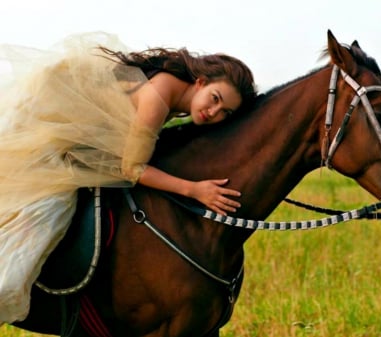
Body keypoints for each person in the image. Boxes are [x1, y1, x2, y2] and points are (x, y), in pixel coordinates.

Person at [0, 32, 256, 324]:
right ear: (200, 82)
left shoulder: (175, 95)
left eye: (226, 112)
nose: (213, 112)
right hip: (50, 132)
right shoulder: (158, 97)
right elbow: (132, 169)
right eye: (215, 99)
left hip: (80, 136)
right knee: (46, 215)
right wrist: (193, 189)